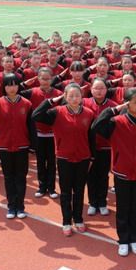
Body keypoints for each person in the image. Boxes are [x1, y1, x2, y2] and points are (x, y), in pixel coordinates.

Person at [92, 88, 136, 257]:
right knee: (123, 207)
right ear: (126, 104)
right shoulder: (116, 122)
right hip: (122, 172)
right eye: (134, 102)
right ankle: (123, 240)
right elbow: (96, 126)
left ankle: (134, 238)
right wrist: (114, 109)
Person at [32, 83, 95, 237]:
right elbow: (36, 115)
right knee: (66, 192)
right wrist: (51, 101)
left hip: (83, 157)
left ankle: (78, 218)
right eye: (70, 95)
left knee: (79, 190)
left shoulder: (89, 113)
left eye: (77, 95)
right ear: (65, 96)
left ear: (82, 97)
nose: (74, 98)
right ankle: (66, 221)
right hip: (64, 157)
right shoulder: (57, 112)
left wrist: (92, 157)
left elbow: (91, 137)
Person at [0, 74, 37, 219]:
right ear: (4, 87)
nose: (12, 88)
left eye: (15, 84)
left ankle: (20, 207)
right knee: (9, 177)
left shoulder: (27, 104)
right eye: (9, 85)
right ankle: (11, 206)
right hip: (4, 145)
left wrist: (32, 147)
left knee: (21, 177)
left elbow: (31, 127)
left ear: (18, 86)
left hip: (22, 146)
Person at [20, 67, 62, 199]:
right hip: (38, 134)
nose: (45, 81)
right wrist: (24, 84)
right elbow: (14, 92)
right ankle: (42, 187)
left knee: (52, 162)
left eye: (48, 79)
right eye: (43, 78)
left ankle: (52, 188)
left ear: (52, 79)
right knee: (40, 161)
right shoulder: (32, 92)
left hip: (53, 134)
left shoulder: (59, 93)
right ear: (38, 79)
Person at [83, 78, 117, 216]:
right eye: (96, 88)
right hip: (89, 148)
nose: (99, 91)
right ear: (91, 90)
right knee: (91, 176)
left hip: (106, 148)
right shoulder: (84, 103)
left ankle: (102, 202)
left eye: (102, 88)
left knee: (103, 176)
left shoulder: (113, 106)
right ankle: (92, 202)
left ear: (106, 90)